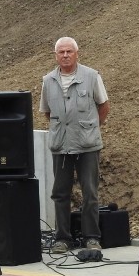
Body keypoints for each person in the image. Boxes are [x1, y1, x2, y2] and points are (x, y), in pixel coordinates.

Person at [40, 37, 110, 253]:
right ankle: (62, 238)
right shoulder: (48, 80)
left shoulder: (91, 76)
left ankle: (91, 237)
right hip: (61, 146)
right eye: (61, 52)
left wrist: (89, 129)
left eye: (69, 51)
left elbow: (104, 106)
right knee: (60, 192)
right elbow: (47, 113)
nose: (65, 55)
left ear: (77, 54)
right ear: (55, 55)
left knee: (90, 192)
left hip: (87, 145)